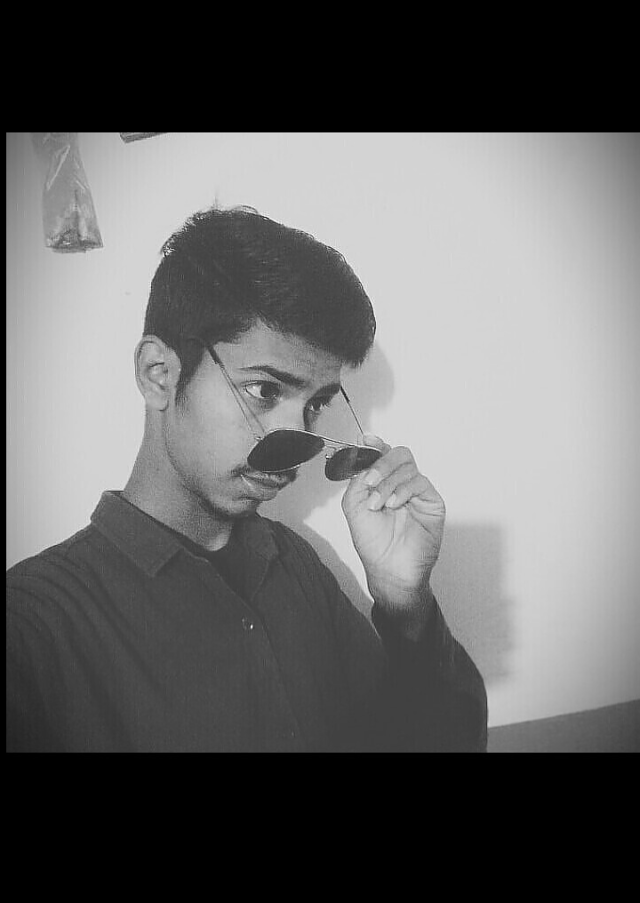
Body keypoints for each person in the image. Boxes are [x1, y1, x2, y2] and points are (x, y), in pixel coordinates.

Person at [6, 205, 487, 753]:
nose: (296, 446)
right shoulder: (33, 628)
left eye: (316, 405)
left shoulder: (296, 566)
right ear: (159, 374)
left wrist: (405, 605)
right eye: (264, 390)